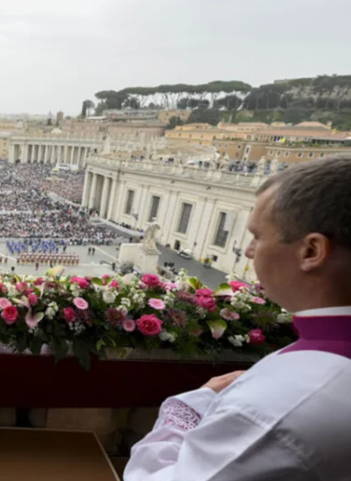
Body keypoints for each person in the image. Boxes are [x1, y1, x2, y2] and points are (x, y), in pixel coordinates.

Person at [125, 155, 351, 480]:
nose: (248, 250)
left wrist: (189, 407)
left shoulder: (281, 404)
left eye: (258, 235)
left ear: (311, 251)